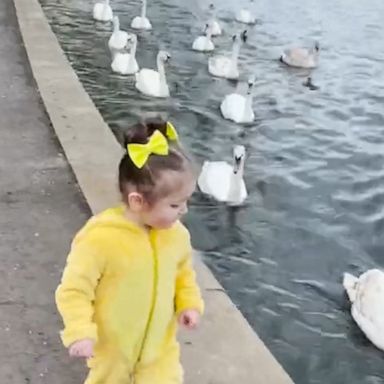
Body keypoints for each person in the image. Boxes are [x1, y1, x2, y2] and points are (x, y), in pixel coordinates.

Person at [55, 119, 204, 384]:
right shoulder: (100, 238)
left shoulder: (177, 236)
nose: (184, 211)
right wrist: (80, 330)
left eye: (186, 202)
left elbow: (184, 274)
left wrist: (188, 304)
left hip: (160, 353)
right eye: (174, 205)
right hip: (113, 354)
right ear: (138, 201)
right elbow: (75, 289)